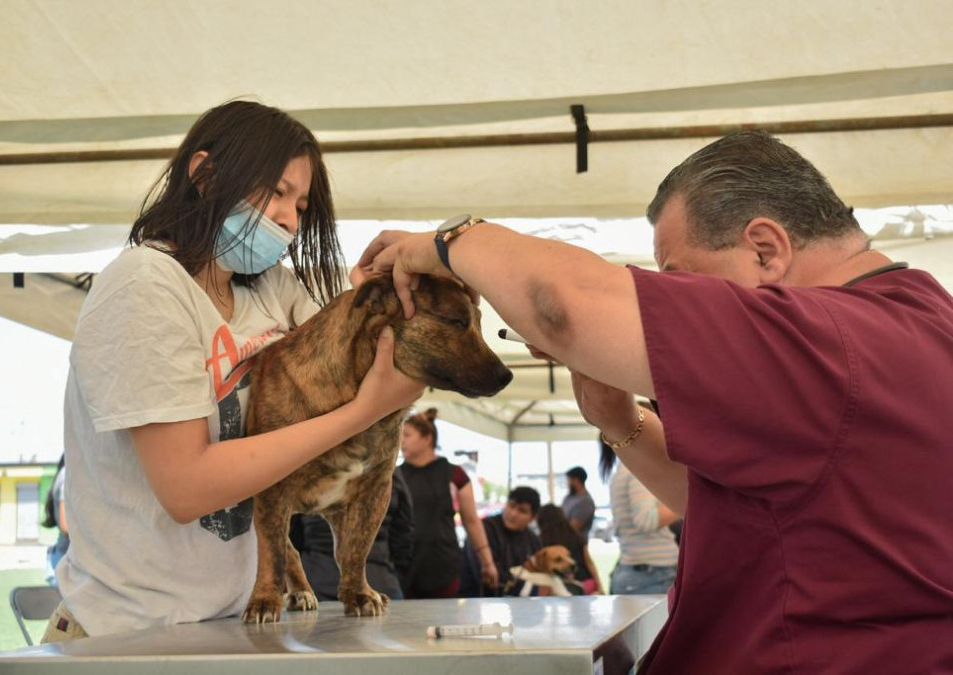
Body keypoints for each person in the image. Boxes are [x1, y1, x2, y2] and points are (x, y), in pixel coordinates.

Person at [357, 131, 953, 673]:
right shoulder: (918, 323)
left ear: (766, 250)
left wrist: (454, 240)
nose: (680, 300)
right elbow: (729, 508)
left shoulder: (829, 339)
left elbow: (560, 305)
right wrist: (617, 418)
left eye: (680, 280)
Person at [44, 101, 425, 642]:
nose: (291, 218)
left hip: (223, 626)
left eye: (301, 203)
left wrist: (370, 299)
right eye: (275, 192)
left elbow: (340, 369)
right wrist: (366, 411)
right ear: (205, 175)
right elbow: (188, 488)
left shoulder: (270, 290)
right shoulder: (145, 286)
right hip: (127, 635)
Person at [398, 409, 499, 598]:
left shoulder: (455, 474)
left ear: (427, 438)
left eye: (407, 435)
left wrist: (487, 563)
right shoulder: (394, 476)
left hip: (442, 565)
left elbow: (471, 520)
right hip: (401, 566)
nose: (400, 440)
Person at [295, 467, 414, 600]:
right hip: (379, 577)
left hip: (319, 579)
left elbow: (292, 532)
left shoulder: (310, 467)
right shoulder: (386, 466)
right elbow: (403, 532)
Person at [600, 443, 678, 595]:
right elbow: (646, 520)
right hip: (652, 575)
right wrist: (685, 502)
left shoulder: (624, 470)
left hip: (641, 572)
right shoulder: (638, 470)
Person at [459, 486, 542, 596]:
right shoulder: (483, 530)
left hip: (520, 602)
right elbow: (487, 577)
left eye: (522, 511)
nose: (513, 514)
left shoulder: (533, 540)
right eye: (511, 506)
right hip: (477, 599)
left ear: (533, 517)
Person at [535, 503, 604, 595]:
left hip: (564, 587)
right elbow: (589, 562)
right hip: (588, 583)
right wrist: (600, 586)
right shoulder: (576, 536)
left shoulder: (541, 541)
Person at [41, 456, 69, 586]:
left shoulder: (65, 474)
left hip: (63, 561)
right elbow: (65, 527)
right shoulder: (67, 476)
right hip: (66, 566)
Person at [560, 466, 595, 544]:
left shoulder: (586, 502)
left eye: (568, 480)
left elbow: (573, 528)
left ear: (576, 480)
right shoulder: (568, 498)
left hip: (576, 546)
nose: (567, 483)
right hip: (565, 542)